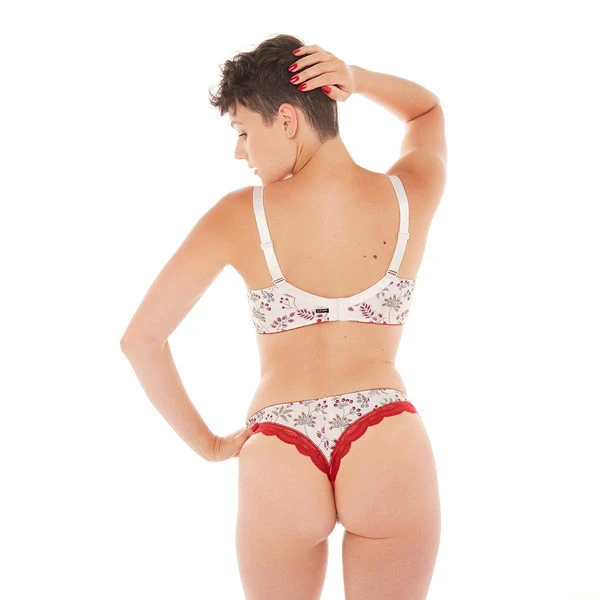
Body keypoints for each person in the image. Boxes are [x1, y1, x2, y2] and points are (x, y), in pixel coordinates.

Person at [121, 33, 447, 600]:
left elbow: (141, 341)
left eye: (244, 131)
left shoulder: (238, 216)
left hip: (280, 446)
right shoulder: (408, 193)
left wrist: (210, 445)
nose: (240, 152)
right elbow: (426, 111)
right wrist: (356, 79)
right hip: (386, 436)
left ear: (288, 121)